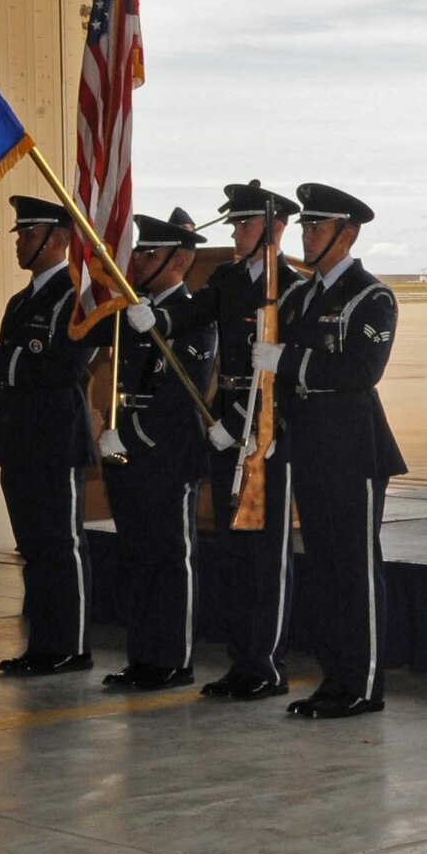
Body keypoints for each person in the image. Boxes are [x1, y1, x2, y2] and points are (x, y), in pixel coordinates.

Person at [252, 183, 406, 719]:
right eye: (305, 226)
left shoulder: (372, 296)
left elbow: (361, 371)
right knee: (322, 572)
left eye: (318, 227)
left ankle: (363, 684)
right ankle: (334, 678)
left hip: (353, 451)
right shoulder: (298, 296)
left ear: (348, 234)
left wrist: (288, 360)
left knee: (355, 571)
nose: (308, 235)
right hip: (310, 448)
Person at [155, 181, 309, 701]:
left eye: (246, 224)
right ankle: (242, 660)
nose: (238, 232)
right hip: (227, 431)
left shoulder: (292, 287)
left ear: (276, 228)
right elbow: (192, 313)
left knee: (266, 554)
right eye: (236, 224)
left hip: (267, 433)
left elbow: (288, 378)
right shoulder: (226, 279)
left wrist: (245, 421)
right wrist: (156, 317)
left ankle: (267, 664)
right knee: (234, 553)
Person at [0, 195, 97, 674]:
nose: (19, 242)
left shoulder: (74, 298)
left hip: (56, 440)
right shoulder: (20, 300)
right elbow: (9, 381)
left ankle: (71, 646)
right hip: (21, 443)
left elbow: (65, 368)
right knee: (34, 549)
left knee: (61, 547)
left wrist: (0, 357)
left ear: (59, 240)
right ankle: (45, 643)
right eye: (20, 234)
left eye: (28, 234)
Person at [98, 209, 218, 690]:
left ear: (179, 261)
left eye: (149, 252)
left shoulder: (190, 317)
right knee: (138, 556)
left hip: (166, 451)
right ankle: (143, 656)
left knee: (170, 557)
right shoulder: (135, 312)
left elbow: (181, 392)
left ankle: (172, 659)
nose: (139, 259)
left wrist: (132, 434)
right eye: (140, 251)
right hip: (127, 446)